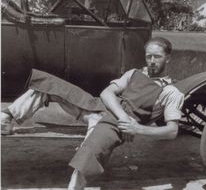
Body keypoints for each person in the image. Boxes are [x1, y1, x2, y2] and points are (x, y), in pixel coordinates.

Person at [1, 37, 184, 189]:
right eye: (149, 56)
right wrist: (122, 115)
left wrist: (137, 129)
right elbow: (106, 93)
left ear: (168, 58)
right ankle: (6, 118)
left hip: (113, 126)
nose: (152, 61)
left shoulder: (170, 92)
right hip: (97, 108)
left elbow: (172, 131)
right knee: (49, 85)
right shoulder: (134, 73)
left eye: (157, 57)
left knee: (87, 156)